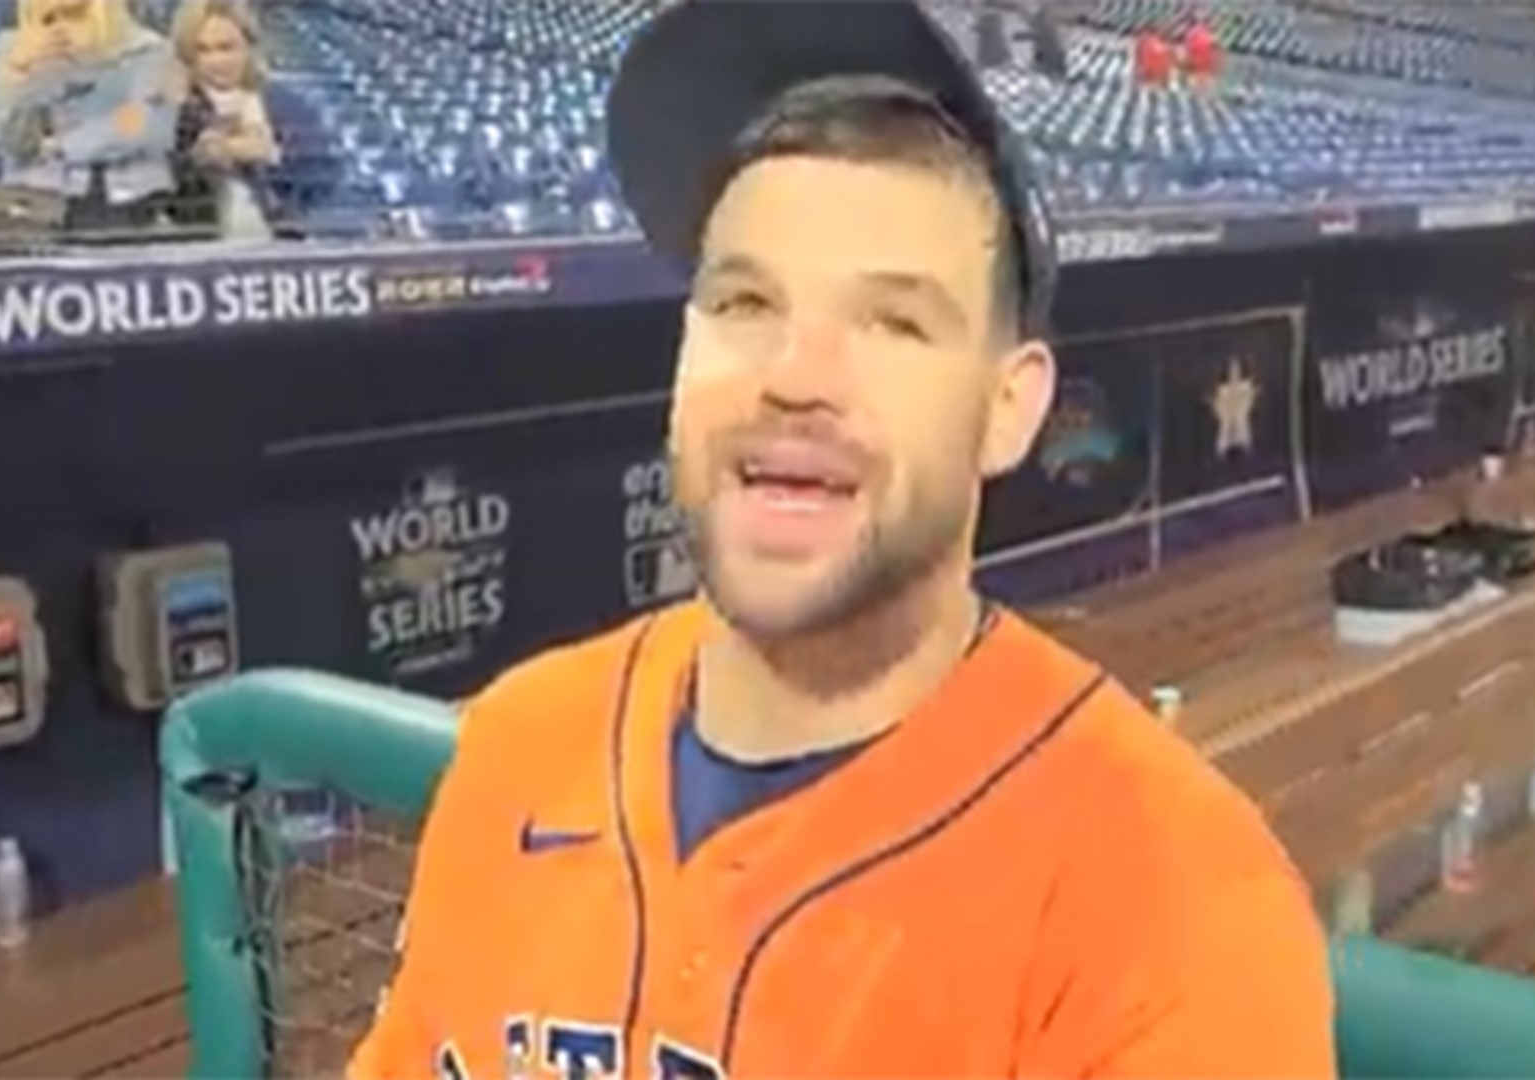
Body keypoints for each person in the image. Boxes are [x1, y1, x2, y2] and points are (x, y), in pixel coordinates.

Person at [350, 2, 1335, 1076]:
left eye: (893, 321)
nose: (796, 375)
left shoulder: (1175, 907)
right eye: (743, 300)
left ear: (1009, 408)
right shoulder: (515, 743)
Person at [0, 0, 179, 234]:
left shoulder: (150, 50)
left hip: (126, 197)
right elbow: (7, 140)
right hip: (34, 199)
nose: (61, 27)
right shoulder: (9, 51)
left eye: (75, 15)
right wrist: (19, 75)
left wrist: (63, 146)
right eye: (52, 17)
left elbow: (142, 124)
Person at [168, 0, 336, 240]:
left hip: (277, 251)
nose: (216, 61)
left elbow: (324, 178)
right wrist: (196, 158)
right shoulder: (171, 110)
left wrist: (270, 155)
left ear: (249, 46)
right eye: (202, 50)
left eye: (226, 48)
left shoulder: (288, 105)